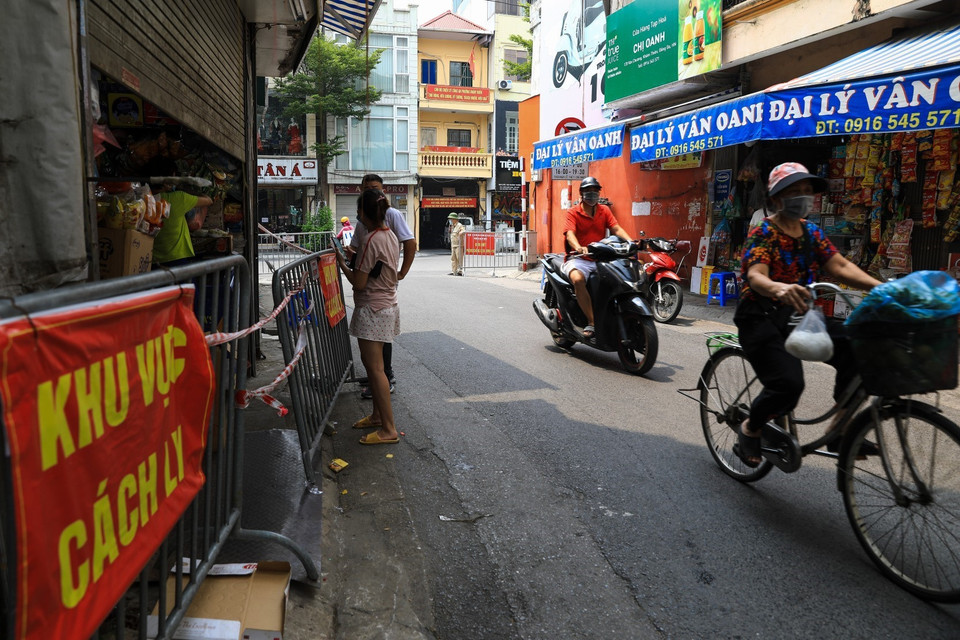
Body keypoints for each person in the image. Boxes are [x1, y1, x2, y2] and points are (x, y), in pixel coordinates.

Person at [733, 162, 882, 467]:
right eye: (793, 191)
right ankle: (751, 429)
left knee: (864, 351)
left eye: (806, 190)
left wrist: (880, 287)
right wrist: (778, 288)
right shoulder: (763, 232)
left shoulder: (812, 232)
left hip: (801, 315)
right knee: (787, 384)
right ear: (775, 199)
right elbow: (756, 276)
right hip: (759, 315)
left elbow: (839, 266)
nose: (803, 196)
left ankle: (840, 430)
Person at [335, 189, 401, 445]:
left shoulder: (373, 240)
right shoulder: (390, 236)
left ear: (365, 213)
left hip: (373, 309)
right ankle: (377, 416)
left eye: (358, 210)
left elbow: (360, 282)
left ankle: (389, 429)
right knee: (375, 368)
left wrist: (341, 262)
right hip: (385, 306)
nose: (357, 214)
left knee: (375, 370)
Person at [347, 174, 416, 398]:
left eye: (375, 189)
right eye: (367, 189)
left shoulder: (390, 217)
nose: (371, 193)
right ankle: (378, 378)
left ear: (382, 193)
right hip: (372, 290)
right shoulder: (363, 223)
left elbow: (410, 243)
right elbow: (357, 249)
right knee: (372, 349)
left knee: (379, 340)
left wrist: (402, 272)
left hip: (377, 295)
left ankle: (385, 378)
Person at [562, 176, 634, 339]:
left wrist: (631, 242)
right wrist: (579, 247)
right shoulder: (573, 212)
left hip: (600, 258)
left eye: (595, 191)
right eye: (588, 191)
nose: (592, 194)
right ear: (581, 193)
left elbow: (616, 228)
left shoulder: (604, 210)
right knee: (578, 279)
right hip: (578, 258)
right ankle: (592, 322)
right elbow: (570, 234)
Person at [154, 182, 214, 266]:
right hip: (176, 257)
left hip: (153, 259)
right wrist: (194, 192)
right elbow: (209, 200)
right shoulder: (178, 197)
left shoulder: (144, 197)